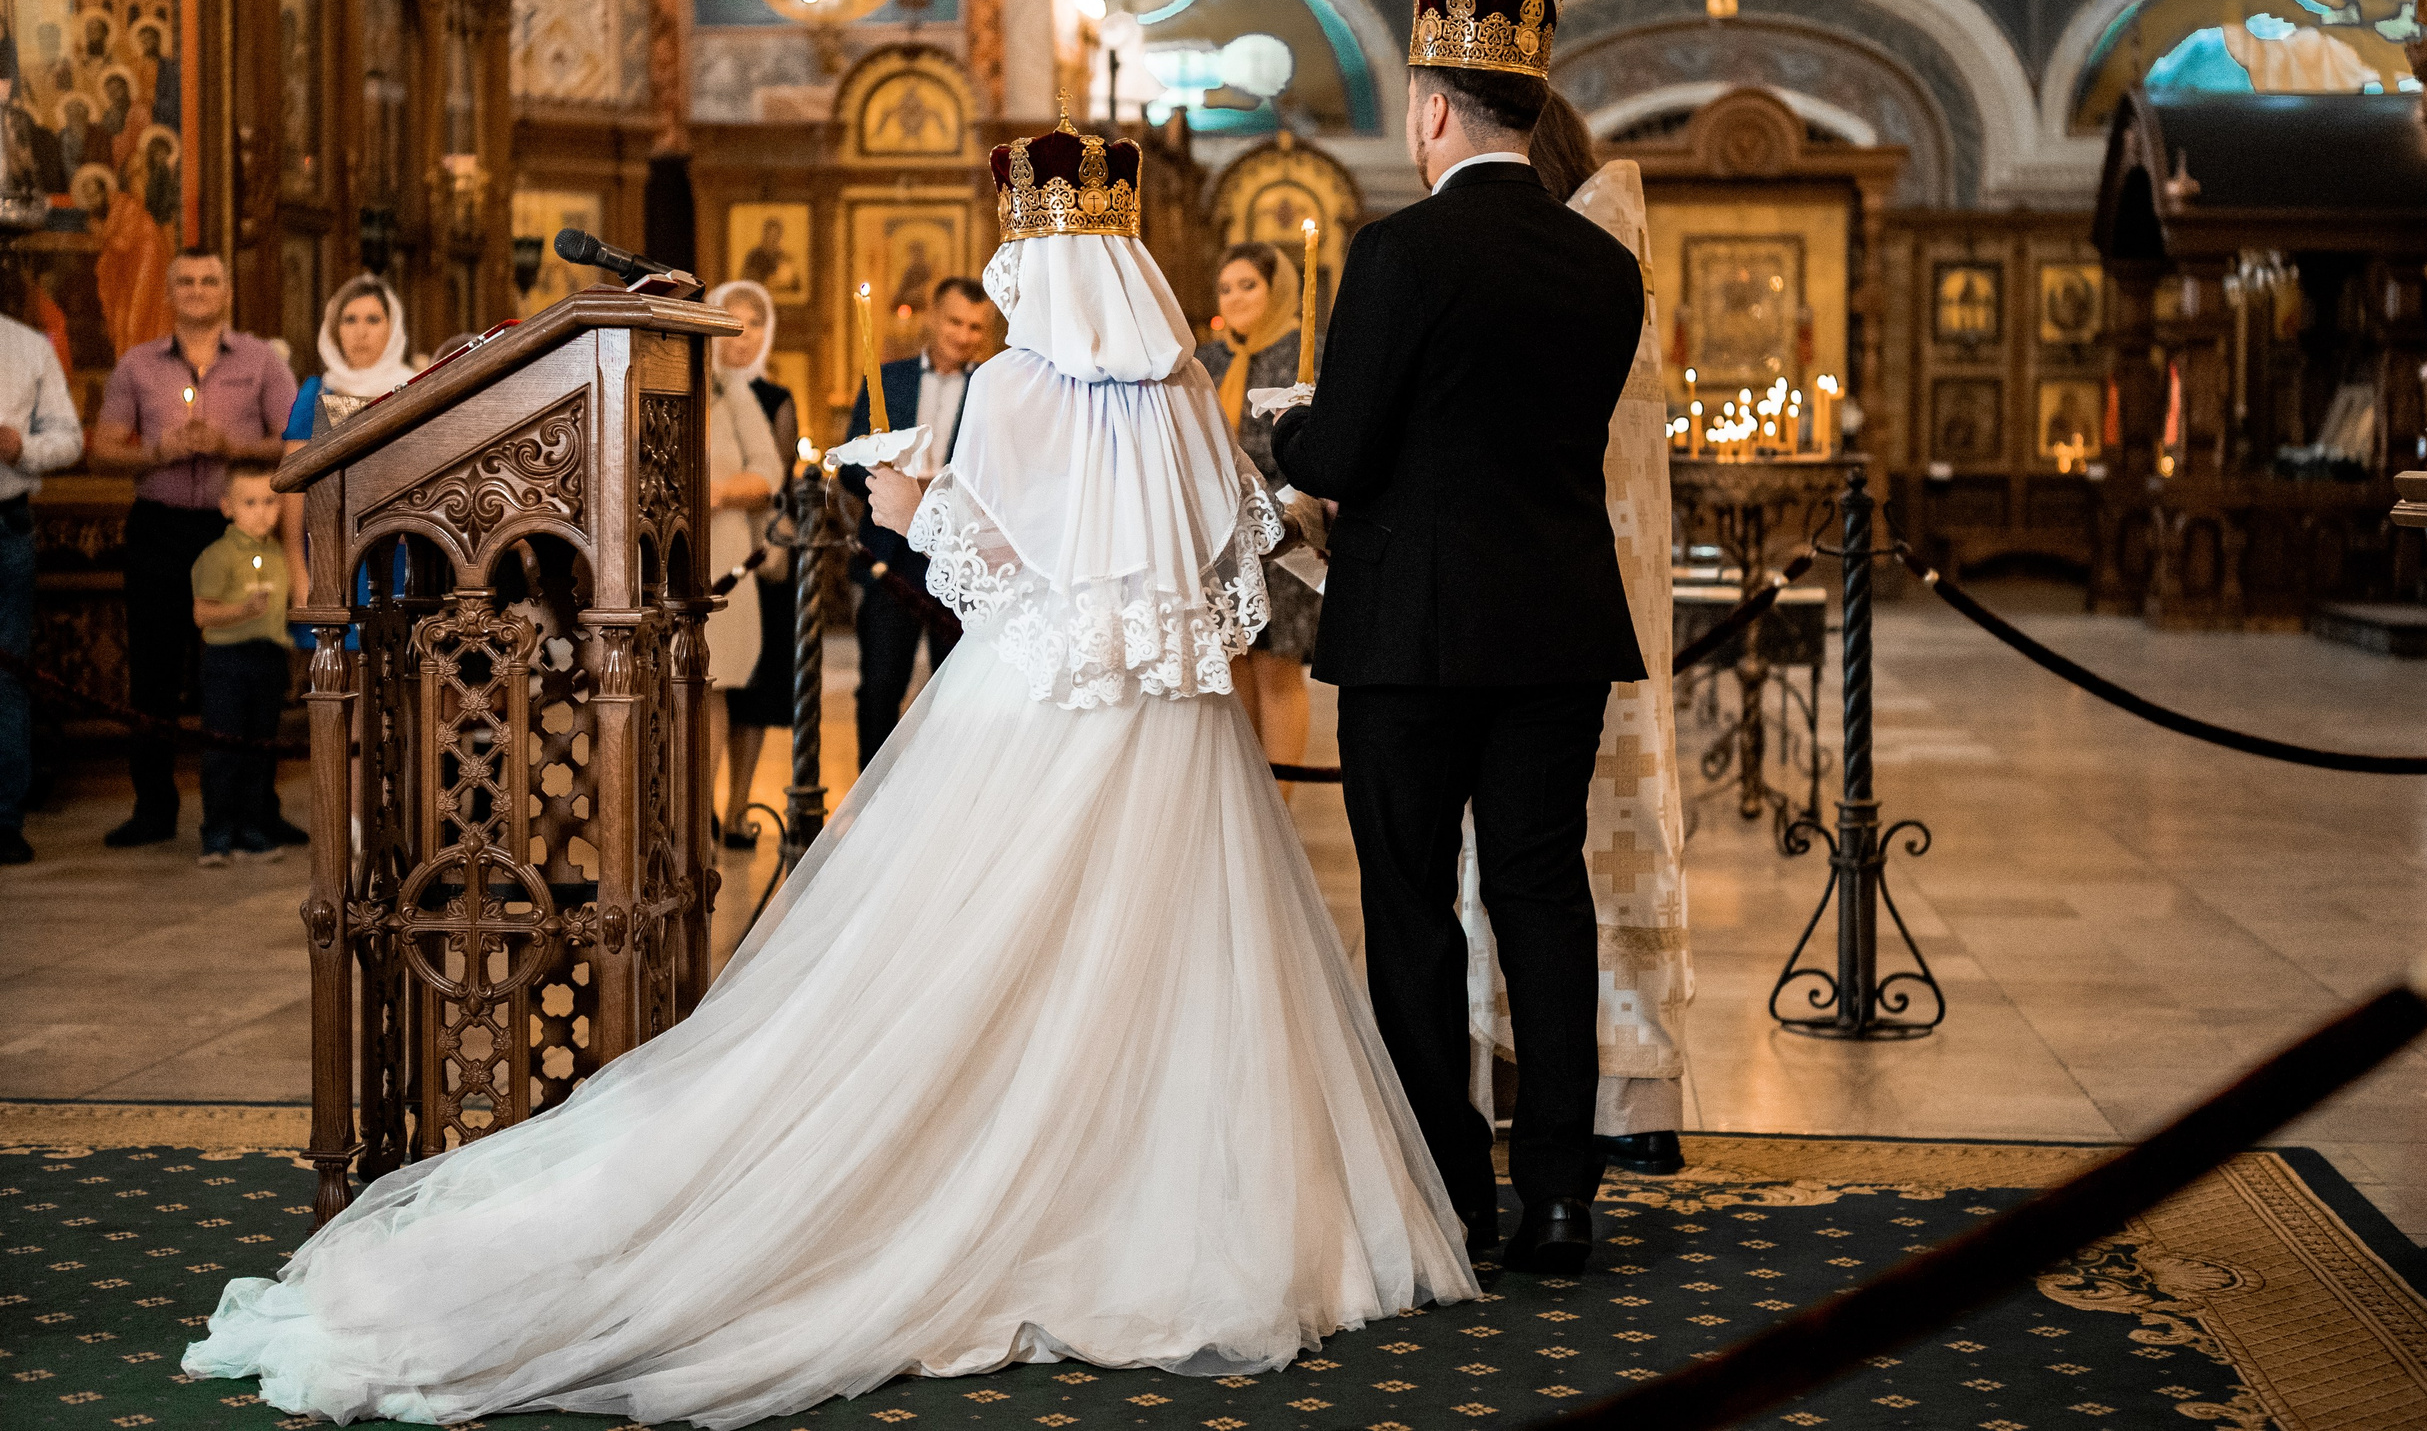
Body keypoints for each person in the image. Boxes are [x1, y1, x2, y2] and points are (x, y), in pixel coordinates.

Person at [184, 115, 1473, 1427]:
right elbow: (1231, 553)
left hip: (1035, 709)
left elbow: (983, 569)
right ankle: (1179, 1203)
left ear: (1032, 259)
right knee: (1178, 951)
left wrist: (908, 505)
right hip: (1179, 724)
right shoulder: (1185, 386)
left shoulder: (1015, 385)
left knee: (962, 953)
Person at [1271, 0, 1644, 1276]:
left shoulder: (1398, 251)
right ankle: (1561, 1195)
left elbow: (1344, 453)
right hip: (1556, 623)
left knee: (1413, 902)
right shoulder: (1603, 264)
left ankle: (1448, 1191)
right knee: (1543, 893)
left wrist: (1287, 429)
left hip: (1414, 634)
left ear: (1433, 109)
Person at [1457, 95, 1691, 1179]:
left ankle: (1525, 1088)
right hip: (1603, 604)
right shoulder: (1607, 264)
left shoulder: (1536, 270)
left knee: (1524, 861)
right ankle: (1616, 1101)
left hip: (1511, 608)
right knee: (1568, 862)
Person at [90, 250, 298, 849]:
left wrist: (231, 446)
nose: (198, 290)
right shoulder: (137, 365)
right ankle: (153, 808)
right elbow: (102, 451)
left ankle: (256, 808)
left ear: (226, 290)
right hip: (158, 530)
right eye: (185, 281)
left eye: (209, 280)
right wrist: (157, 453)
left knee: (248, 667)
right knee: (154, 672)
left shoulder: (261, 362)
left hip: (239, 532)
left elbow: (297, 443)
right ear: (168, 291)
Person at [841, 276, 991, 765]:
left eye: (975, 327)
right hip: (891, 556)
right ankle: (872, 796)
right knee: (880, 685)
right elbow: (849, 466)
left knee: (956, 690)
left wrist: (937, 492)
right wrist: (889, 480)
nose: (964, 336)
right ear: (932, 317)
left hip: (959, 557)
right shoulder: (888, 378)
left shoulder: (992, 389)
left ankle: (949, 790)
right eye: (954, 322)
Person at [1193, 241, 1320, 783]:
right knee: (1234, 665)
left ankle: (1282, 806)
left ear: (1277, 290)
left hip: (1281, 529)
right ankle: (1253, 802)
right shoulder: (1207, 359)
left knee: (1276, 670)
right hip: (1218, 531)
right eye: (1226, 288)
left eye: (1249, 285)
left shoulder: (1302, 352)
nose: (1236, 298)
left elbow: (1310, 446)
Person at [708, 280, 798, 849]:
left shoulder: (761, 396)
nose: (741, 335)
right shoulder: (697, 381)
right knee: (709, 688)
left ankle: (736, 807)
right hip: (704, 558)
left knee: (749, 690)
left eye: (754, 323)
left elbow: (774, 477)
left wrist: (722, 491)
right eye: (730, 320)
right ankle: (694, 811)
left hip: (755, 553)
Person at [0, 278, 86, 865]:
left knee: (6, 675)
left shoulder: (27, 347)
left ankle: (4, 819)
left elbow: (69, 438)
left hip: (5, 523)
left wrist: (21, 448)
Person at [281, 275, 418, 636]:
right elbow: (294, 496)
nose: (361, 331)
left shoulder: (416, 388)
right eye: (349, 319)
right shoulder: (315, 393)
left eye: (373, 319)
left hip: (403, 559)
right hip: (330, 562)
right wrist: (299, 577)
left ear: (393, 326)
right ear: (334, 329)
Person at [190, 464, 290, 868]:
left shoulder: (279, 553)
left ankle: (252, 829)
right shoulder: (217, 556)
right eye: (249, 503)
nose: (262, 512)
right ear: (227, 507)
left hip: (269, 659)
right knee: (223, 751)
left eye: (270, 502)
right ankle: (216, 834)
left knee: (259, 750)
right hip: (227, 662)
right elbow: (202, 614)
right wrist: (243, 610)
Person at [704, 310, 788, 758]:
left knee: (710, 682)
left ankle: (702, 801)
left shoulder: (730, 390)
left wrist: (718, 491)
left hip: (723, 553)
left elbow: (769, 472)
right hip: (647, 559)